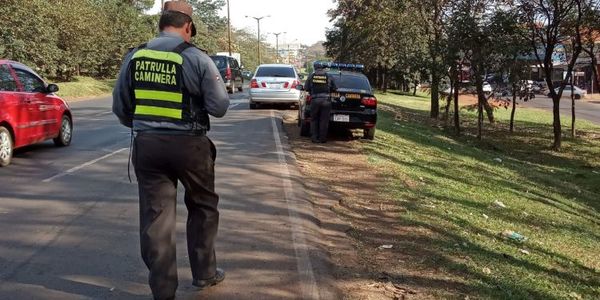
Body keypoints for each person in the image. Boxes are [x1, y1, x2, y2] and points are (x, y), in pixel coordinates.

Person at [112, 1, 229, 299]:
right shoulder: (196, 58)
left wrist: (145, 125)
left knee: (156, 216)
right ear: (187, 27)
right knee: (202, 206)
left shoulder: (135, 56)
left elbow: (121, 107)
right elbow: (219, 107)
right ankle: (204, 274)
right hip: (190, 145)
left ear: (161, 24)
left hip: (148, 146)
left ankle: (163, 291)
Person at [304, 62, 333, 143]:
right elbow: (334, 87)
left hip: (315, 100)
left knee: (314, 119)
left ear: (315, 68)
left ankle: (314, 138)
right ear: (322, 67)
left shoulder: (311, 76)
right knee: (324, 120)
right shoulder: (328, 76)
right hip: (326, 101)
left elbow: (306, 88)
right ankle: (322, 139)